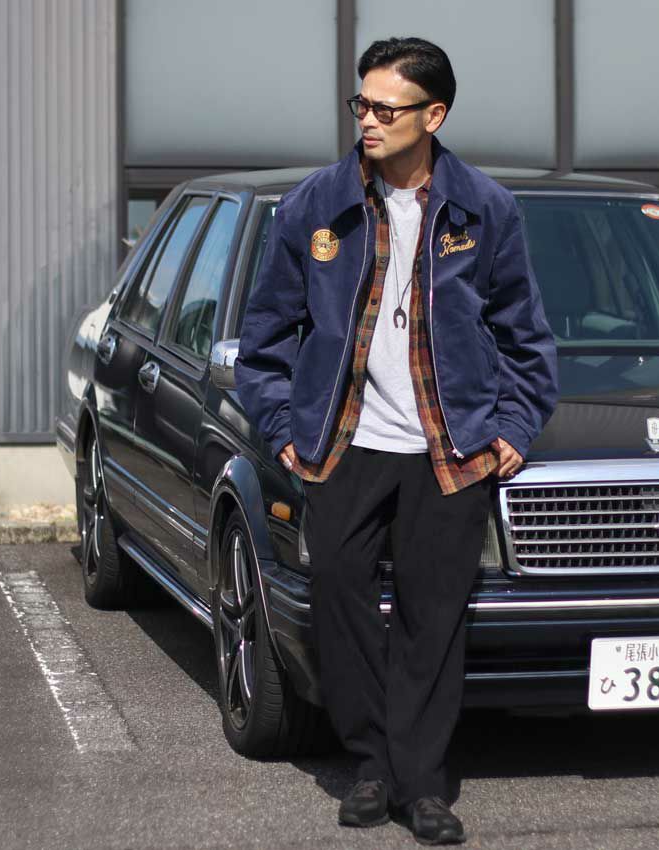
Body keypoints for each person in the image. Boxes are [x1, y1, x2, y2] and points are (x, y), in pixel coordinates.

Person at [234, 37, 558, 846]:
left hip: (451, 450)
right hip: (344, 444)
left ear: (433, 115)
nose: (369, 121)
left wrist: (514, 428)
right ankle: (371, 761)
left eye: (387, 107)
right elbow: (263, 340)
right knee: (337, 590)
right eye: (362, 104)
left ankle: (420, 785)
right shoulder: (316, 205)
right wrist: (284, 431)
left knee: (432, 618)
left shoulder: (485, 209)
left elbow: (525, 337)